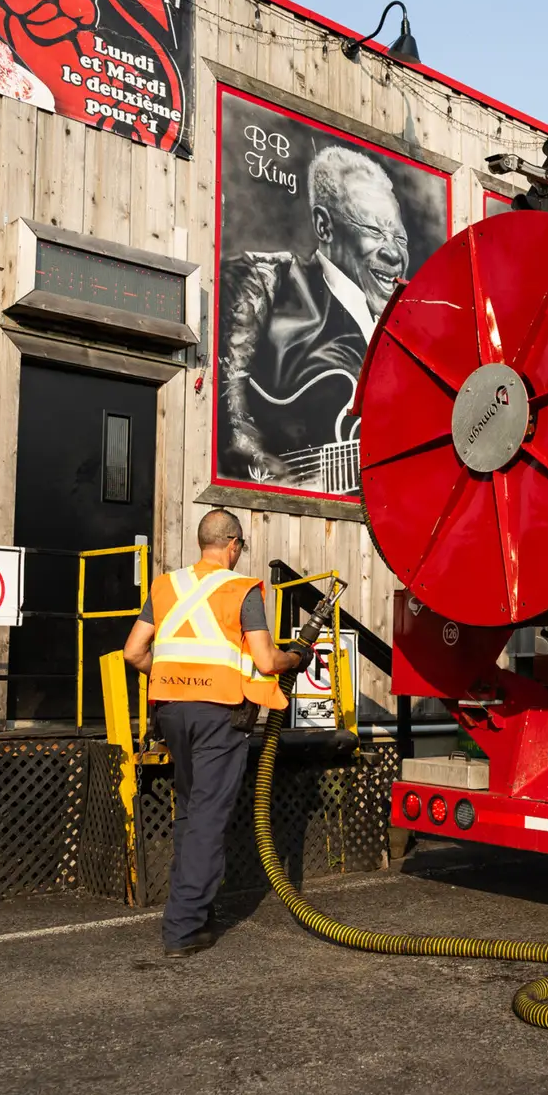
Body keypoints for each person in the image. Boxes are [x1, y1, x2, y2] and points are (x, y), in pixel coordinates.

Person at [123, 508, 311, 957]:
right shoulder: (241, 588)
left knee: (190, 809)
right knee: (208, 818)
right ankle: (183, 928)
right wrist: (295, 658)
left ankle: (197, 912)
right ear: (233, 545)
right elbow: (266, 662)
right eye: (240, 546)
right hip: (219, 716)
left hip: (171, 711)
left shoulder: (166, 586)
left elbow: (133, 652)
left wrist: (168, 675)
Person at [219, 145, 410, 485]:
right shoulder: (265, 281)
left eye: (399, 237)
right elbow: (224, 407)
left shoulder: (412, 331)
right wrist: (285, 481)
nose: (394, 252)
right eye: (375, 232)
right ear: (324, 226)